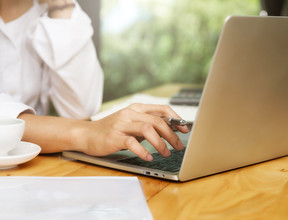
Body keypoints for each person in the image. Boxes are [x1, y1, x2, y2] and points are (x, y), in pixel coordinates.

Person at [0, 0, 188, 161]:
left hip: (32, 166)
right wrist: (87, 134)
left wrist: (61, 6)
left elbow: (80, 109)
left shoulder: (44, 10)